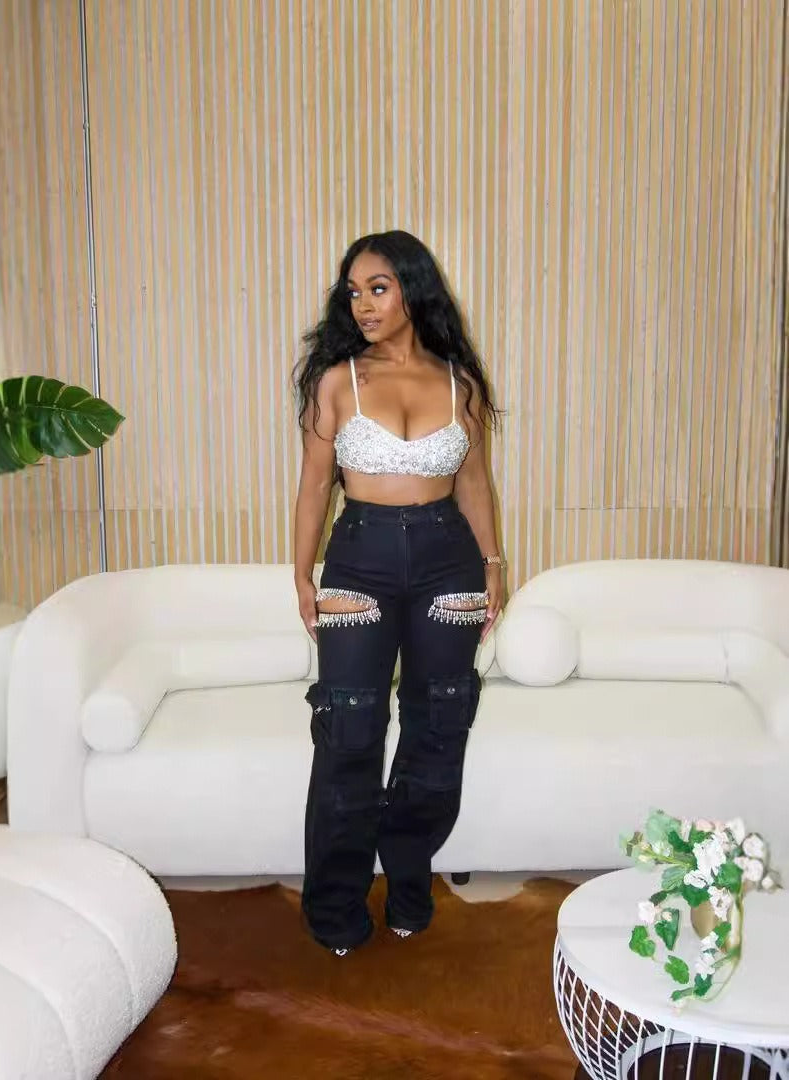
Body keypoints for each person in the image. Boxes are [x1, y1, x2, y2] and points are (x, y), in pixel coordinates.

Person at [292, 230, 504, 956]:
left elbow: (474, 483)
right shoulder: (337, 381)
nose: (363, 304)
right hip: (361, 559)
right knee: (348, 729)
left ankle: (410, 882)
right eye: (354, 292)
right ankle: (335, 906)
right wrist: (302, 574)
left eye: (378, 288)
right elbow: (314, 487)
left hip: (450, 561)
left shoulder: (460, 384)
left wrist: (494, 564)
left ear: (413, 288)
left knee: (438, 725)